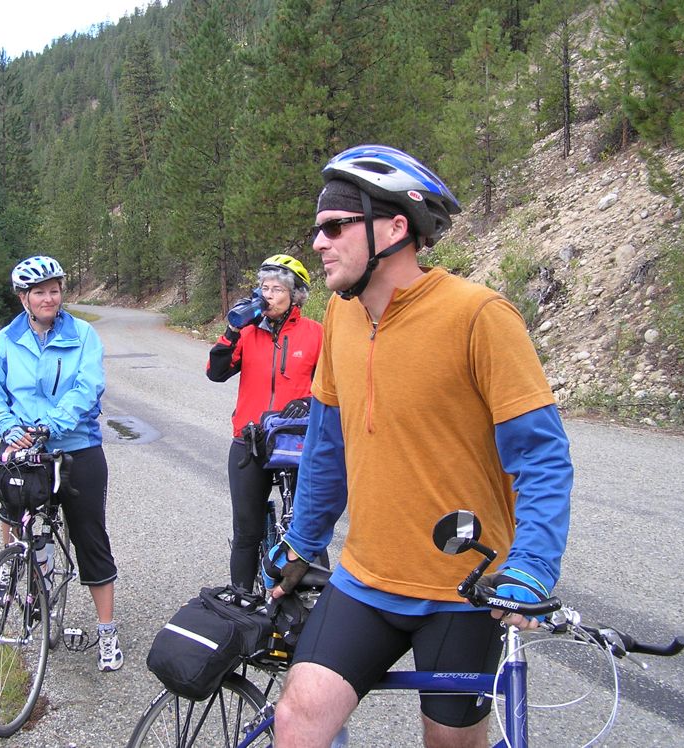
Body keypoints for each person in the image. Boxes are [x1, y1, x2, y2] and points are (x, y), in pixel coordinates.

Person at [266, 145, 573, 748]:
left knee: (450, 743)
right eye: (318, 229)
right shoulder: (341, 318)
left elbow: (541, 457)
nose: (319, 243)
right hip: (365, 579)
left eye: (335, 227)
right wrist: (303, 539)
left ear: (394, 228)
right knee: (298, 719)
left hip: (463, 590)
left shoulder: (479, 316)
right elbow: (326, 450)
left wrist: (532, 564)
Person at [0, 255, 124, 673]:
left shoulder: (83, 335)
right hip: (24, 443)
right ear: (23, 298)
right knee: (12, 503)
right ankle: (14, 564)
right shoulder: (7, 339)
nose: (48, 298)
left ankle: (107, 631)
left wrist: (49, 425)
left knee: (90, 536)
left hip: (76, 446)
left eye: (54, 290)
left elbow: (88, 387)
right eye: (39, 292)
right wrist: (8, 427)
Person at [206, 254, 323, 592]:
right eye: (264, 288)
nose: (268, 296)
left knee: (306, 531)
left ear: (295, 296)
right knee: (247, 532)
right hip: (250, 440)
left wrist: (308, 402)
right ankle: (241, 602)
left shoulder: (315, 334)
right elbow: (216, 373)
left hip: (297, 441)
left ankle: (315, 603)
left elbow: (336, 387)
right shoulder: (247, 332)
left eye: (277, 289)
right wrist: (231, 331)